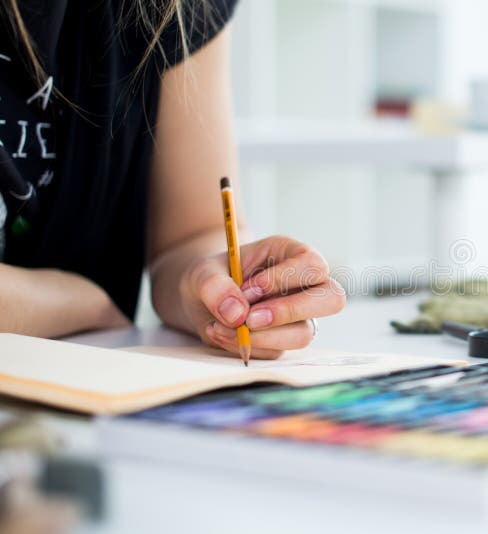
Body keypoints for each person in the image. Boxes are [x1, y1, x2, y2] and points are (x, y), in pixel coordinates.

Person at [0, 0, 345, 358]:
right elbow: (96, 307)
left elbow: (191, 235)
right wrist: (82, 304)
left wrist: (211, 285)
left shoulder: (177, 8)